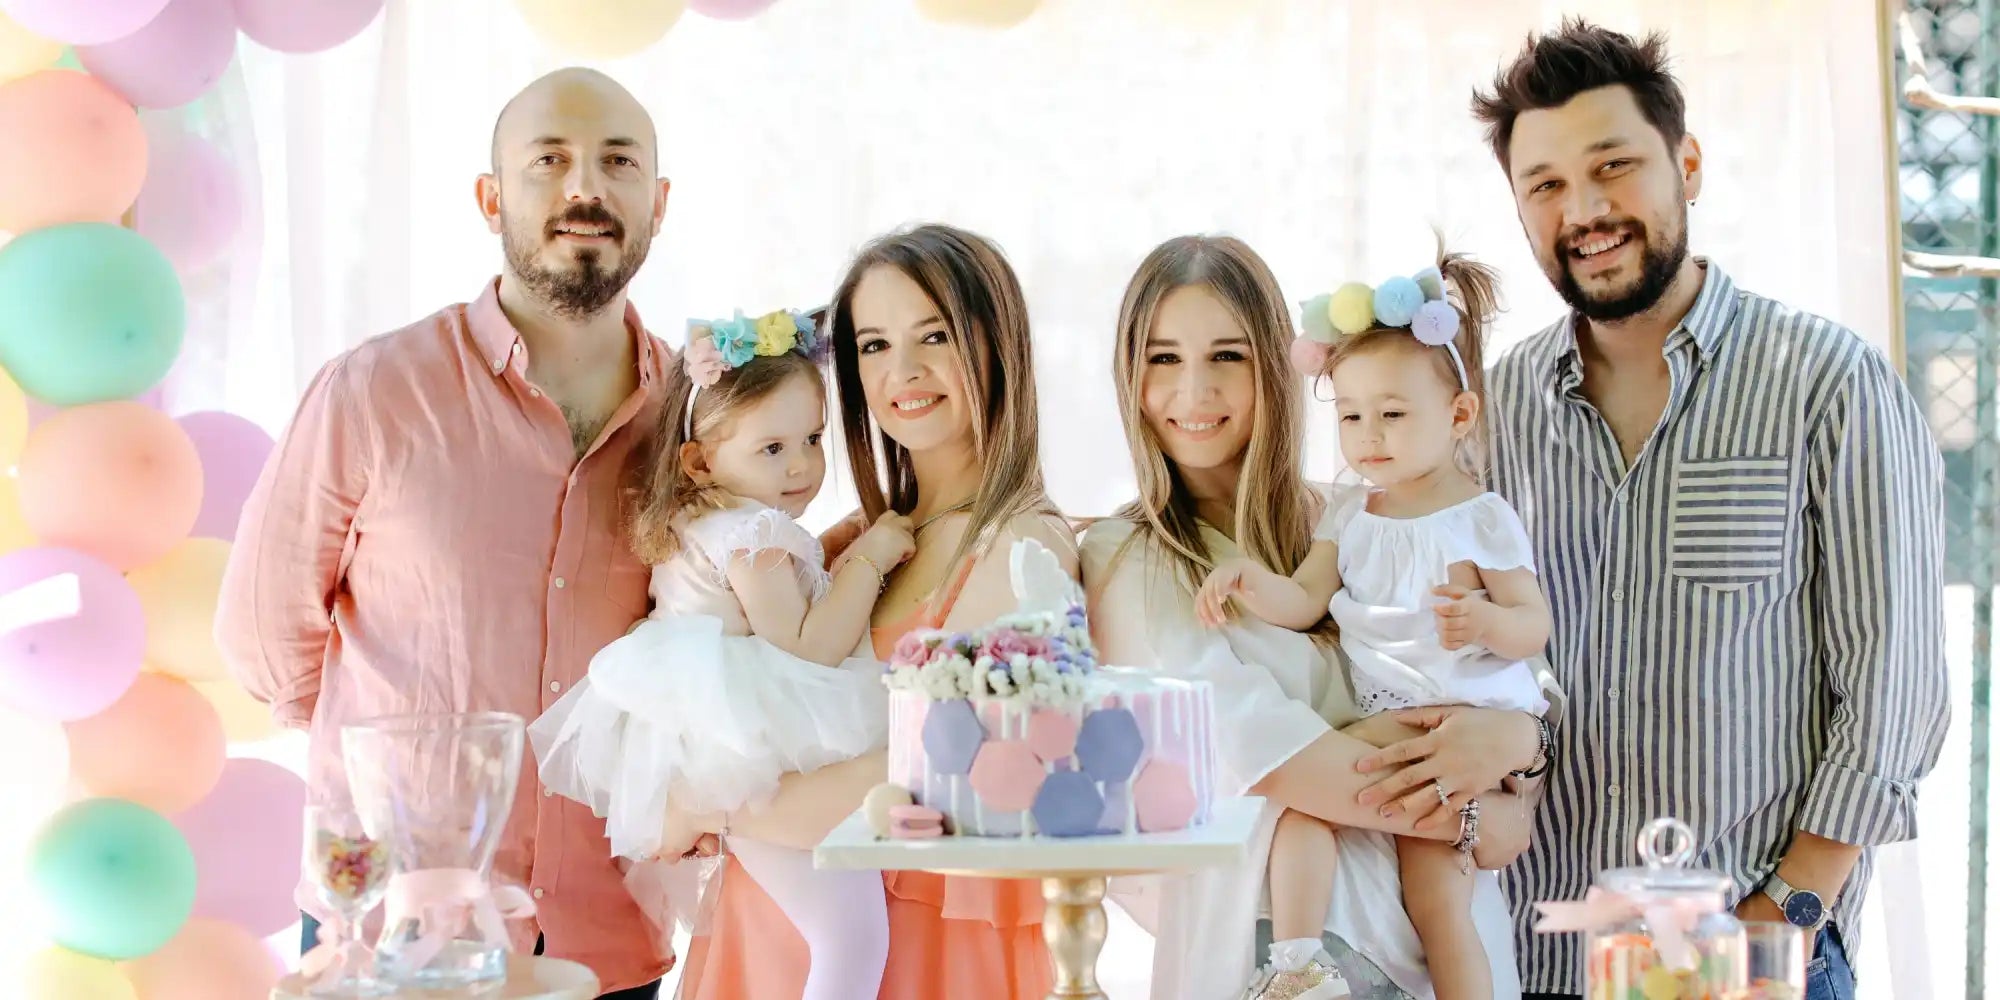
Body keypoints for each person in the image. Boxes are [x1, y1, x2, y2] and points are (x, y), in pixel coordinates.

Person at [1469, 19, 1950, 999]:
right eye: (1546, 185)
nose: (1584, 209)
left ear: (1685, 164)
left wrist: (1783, 913)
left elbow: (1892, 687)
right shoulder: (1493, 408)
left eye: (1614, 166)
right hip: (1534, 953)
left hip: (1753, 953)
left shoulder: (1826, 384)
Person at [216, 68, 676, 997]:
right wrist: (404, 753)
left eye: (617, 162)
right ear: (491, 196)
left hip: (609, 930)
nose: (584, 187)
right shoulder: (375, 392)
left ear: (657, 204)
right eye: (549, 160)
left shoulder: (697, 419)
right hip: (393, 932)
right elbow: (267, 639)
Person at [1080, 234, 1562, 1000]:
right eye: (1164, 358)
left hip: (1443, 941)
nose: (1194, 391)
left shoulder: (1358, 514)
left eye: (1227, 356)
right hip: (1283, 955)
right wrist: (1486, 814)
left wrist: (1521, 741)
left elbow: (1504, 674)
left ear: (1273, 365)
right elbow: (1266, 755)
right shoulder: (1126, 558)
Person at [674, 223, 1070, 999]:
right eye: (874, 345)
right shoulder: (861, 538)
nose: (904, 370)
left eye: (934, 335)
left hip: (917, 950)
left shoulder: (1018, 542)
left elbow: (947, 769)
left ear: (998, 347)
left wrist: (704, 802)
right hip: (777, 928)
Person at [530, 307, 917, 1000]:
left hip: (716, 740)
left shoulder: (709, 517)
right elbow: (808, 645)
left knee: (837, 931)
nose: (801, 464)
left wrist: (827, 552)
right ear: (701, 459)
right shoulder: (757, 530)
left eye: (812, 438)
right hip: (750, 743)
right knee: (849, 936)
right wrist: (871, 559)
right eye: (772, 449)